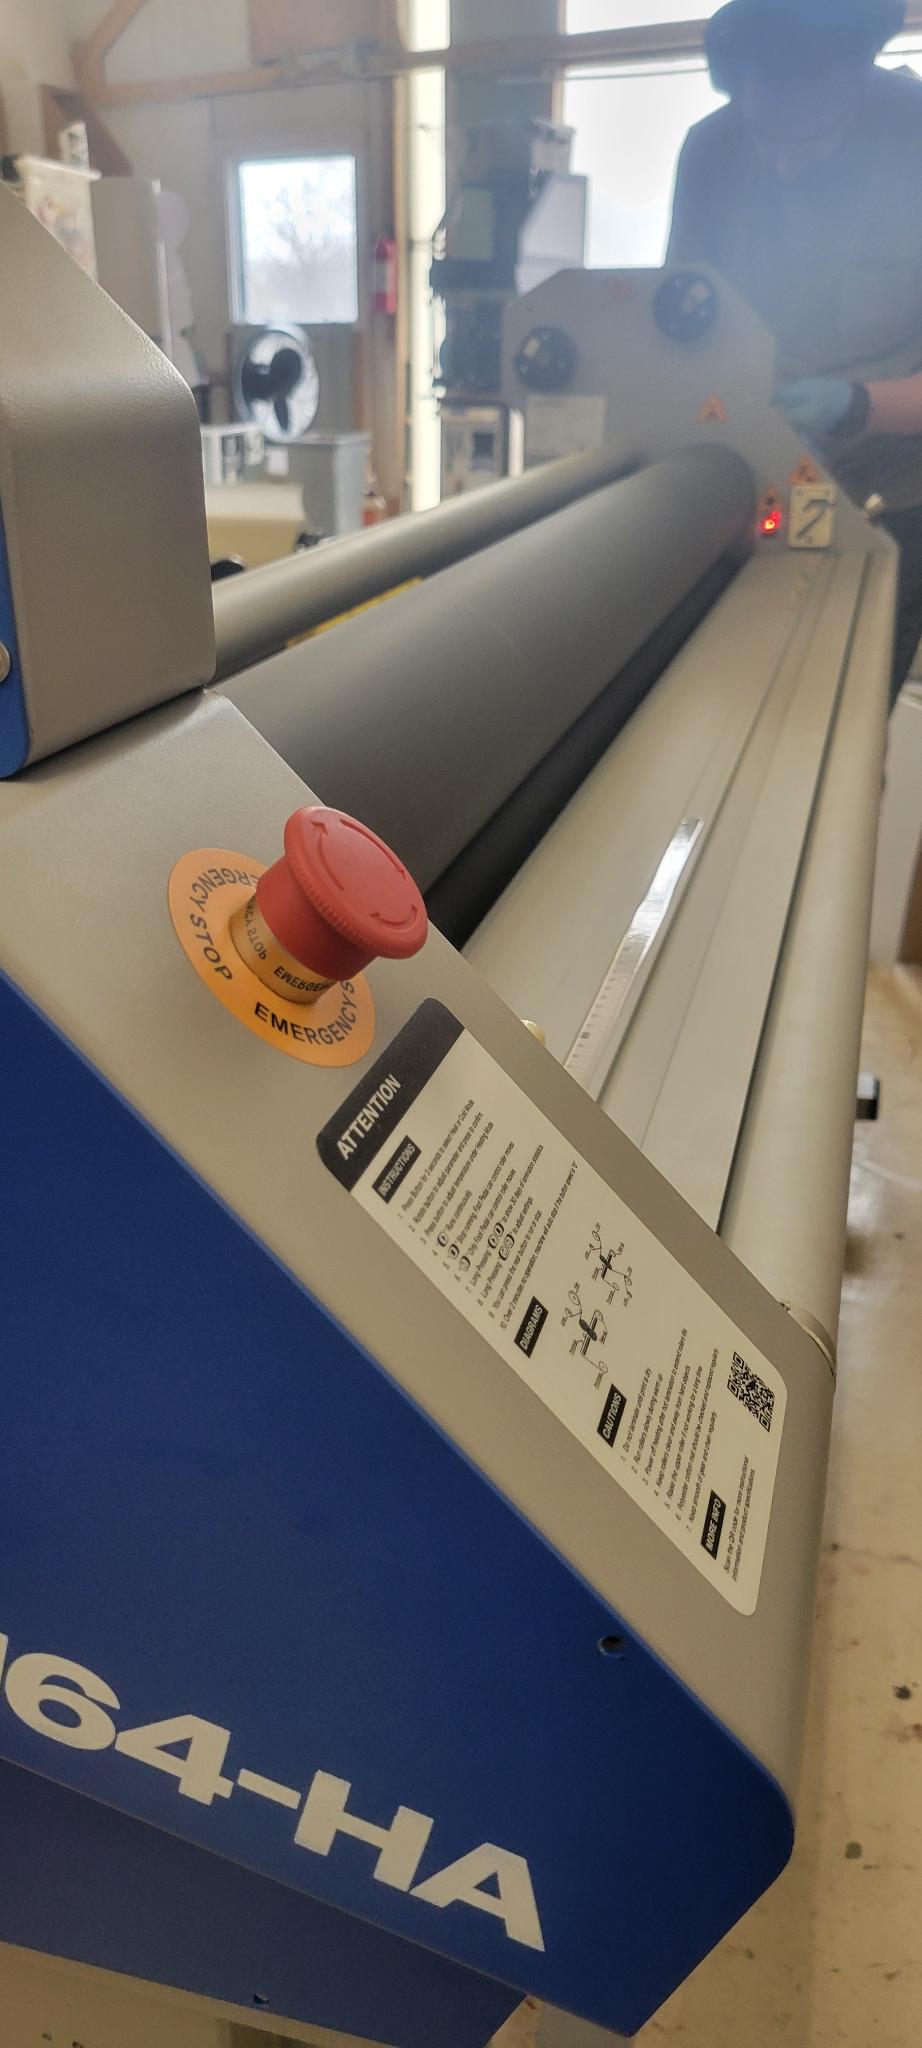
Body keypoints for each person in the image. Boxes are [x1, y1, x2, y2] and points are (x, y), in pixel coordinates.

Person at [667, 0, 922, 700]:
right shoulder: (712, 151)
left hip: (892, 492)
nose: (780, 166)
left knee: (847, 710)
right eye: (761, 134)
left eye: (809, 138)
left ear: (857, 70)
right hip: (752, 475)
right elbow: (683, 321)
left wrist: (857, 404)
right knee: (721, 693)